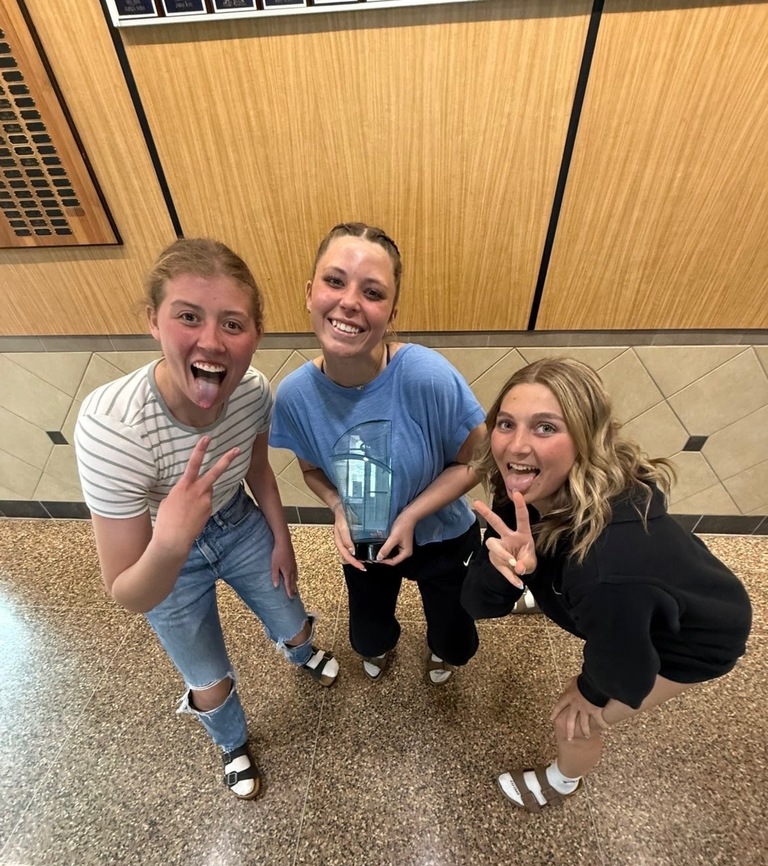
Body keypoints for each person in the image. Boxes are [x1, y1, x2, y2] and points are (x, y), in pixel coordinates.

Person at [74, 238, 338, 801]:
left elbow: (260, 471)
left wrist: (280, 539)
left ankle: (298, 650)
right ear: (153, 321)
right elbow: (129, 592)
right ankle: (232, 744)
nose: (211, 342)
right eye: (188, 317)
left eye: (233, 323)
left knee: (290, 612)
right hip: (162, 552)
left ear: (256, 334)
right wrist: (171, 538)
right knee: (207, 674)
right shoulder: (112, 425)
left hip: (238, 521)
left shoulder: (252, 393)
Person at [461, 357, 752, 812]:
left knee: (575, 719)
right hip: (656, 589)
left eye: (545, 428)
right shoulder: (524, 486)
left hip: (697, 634)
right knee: (582, 592)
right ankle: (549, 590)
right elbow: (478, 604)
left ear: (586, 438)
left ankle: (563, 780)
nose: (516, 446)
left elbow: (626, 667)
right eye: (506, 423)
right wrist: (512, 569)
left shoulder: (604, 568)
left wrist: (589, 691)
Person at [270, 222, 486, 684]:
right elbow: (312, 470)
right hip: (366, 530)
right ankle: (381, 642)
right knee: (368, 639)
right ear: (310, 293)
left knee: (455, 641)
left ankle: (441, 648)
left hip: (443, 536)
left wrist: (411, 517)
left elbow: (474, 462)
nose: (349, 301)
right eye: (334, 281)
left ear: (391, 312)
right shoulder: (294, 396)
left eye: (372, 292)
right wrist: (338, 508)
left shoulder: (427, 376)